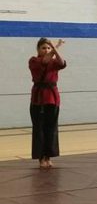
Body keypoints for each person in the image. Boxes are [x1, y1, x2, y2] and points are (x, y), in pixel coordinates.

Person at [29, 38, 66, 169]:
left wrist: (56, 48)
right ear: (38, 50)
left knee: (51, 128)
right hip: (38, 99)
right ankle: (41, 158)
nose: (46, 50)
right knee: (39, 128)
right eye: (43, 48)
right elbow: (44, 61)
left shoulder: (54, 62)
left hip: (52, 97)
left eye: (48, 48)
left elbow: (62, 63)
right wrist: (56, 46)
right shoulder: (34, 60)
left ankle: (48, 156)